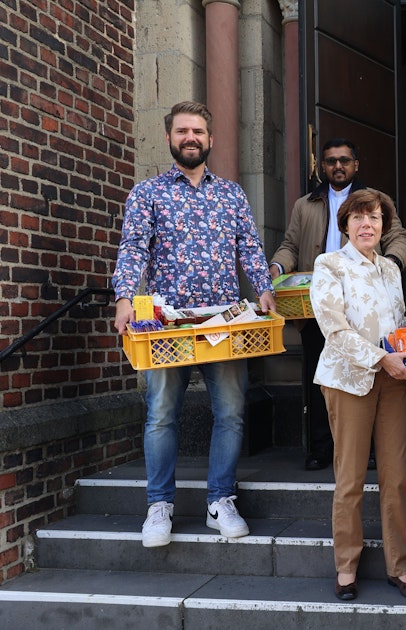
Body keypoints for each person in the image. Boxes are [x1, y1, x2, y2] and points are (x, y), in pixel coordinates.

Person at [112, 101, 276, 548]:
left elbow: (250, 247)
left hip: (223, 321)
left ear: (211, 140)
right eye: (182, 130)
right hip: (166, 326)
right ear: (168, 138)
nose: (191, 137)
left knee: (230, 412)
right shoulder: (148, 193)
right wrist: (124, 297)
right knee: (162, 414)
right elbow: (133, 248)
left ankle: (219, 500)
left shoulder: (232, 195)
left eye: (199, 131)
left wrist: (263, 287)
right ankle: (158, 506)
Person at [269, 138, 406, 471]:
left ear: (356, 164)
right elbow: (290, 245)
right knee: (325, 379)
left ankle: (372, 450)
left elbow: (399, 238)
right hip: (319, 307)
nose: (338, 166)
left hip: (367, 310)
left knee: (371, 378)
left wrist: (385, 269)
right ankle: (321, 448)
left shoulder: (376, 200)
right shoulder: (306, 204)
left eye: (345, 160)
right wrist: (275, 268)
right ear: (322, 166)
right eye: (331, 161)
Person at [309, 188, 406, 602]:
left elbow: (400, 323)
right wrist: (381, 359)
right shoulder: (329, 264)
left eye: (374, 217)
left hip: (394, 383)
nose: (366, 224)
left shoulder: (391, 270)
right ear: (345, 225)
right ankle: (346, 567)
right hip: (348, 380)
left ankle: (401, 567)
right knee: (351, 479)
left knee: (396, 480)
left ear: (383, 225)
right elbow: (334, 328)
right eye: (358, 217)